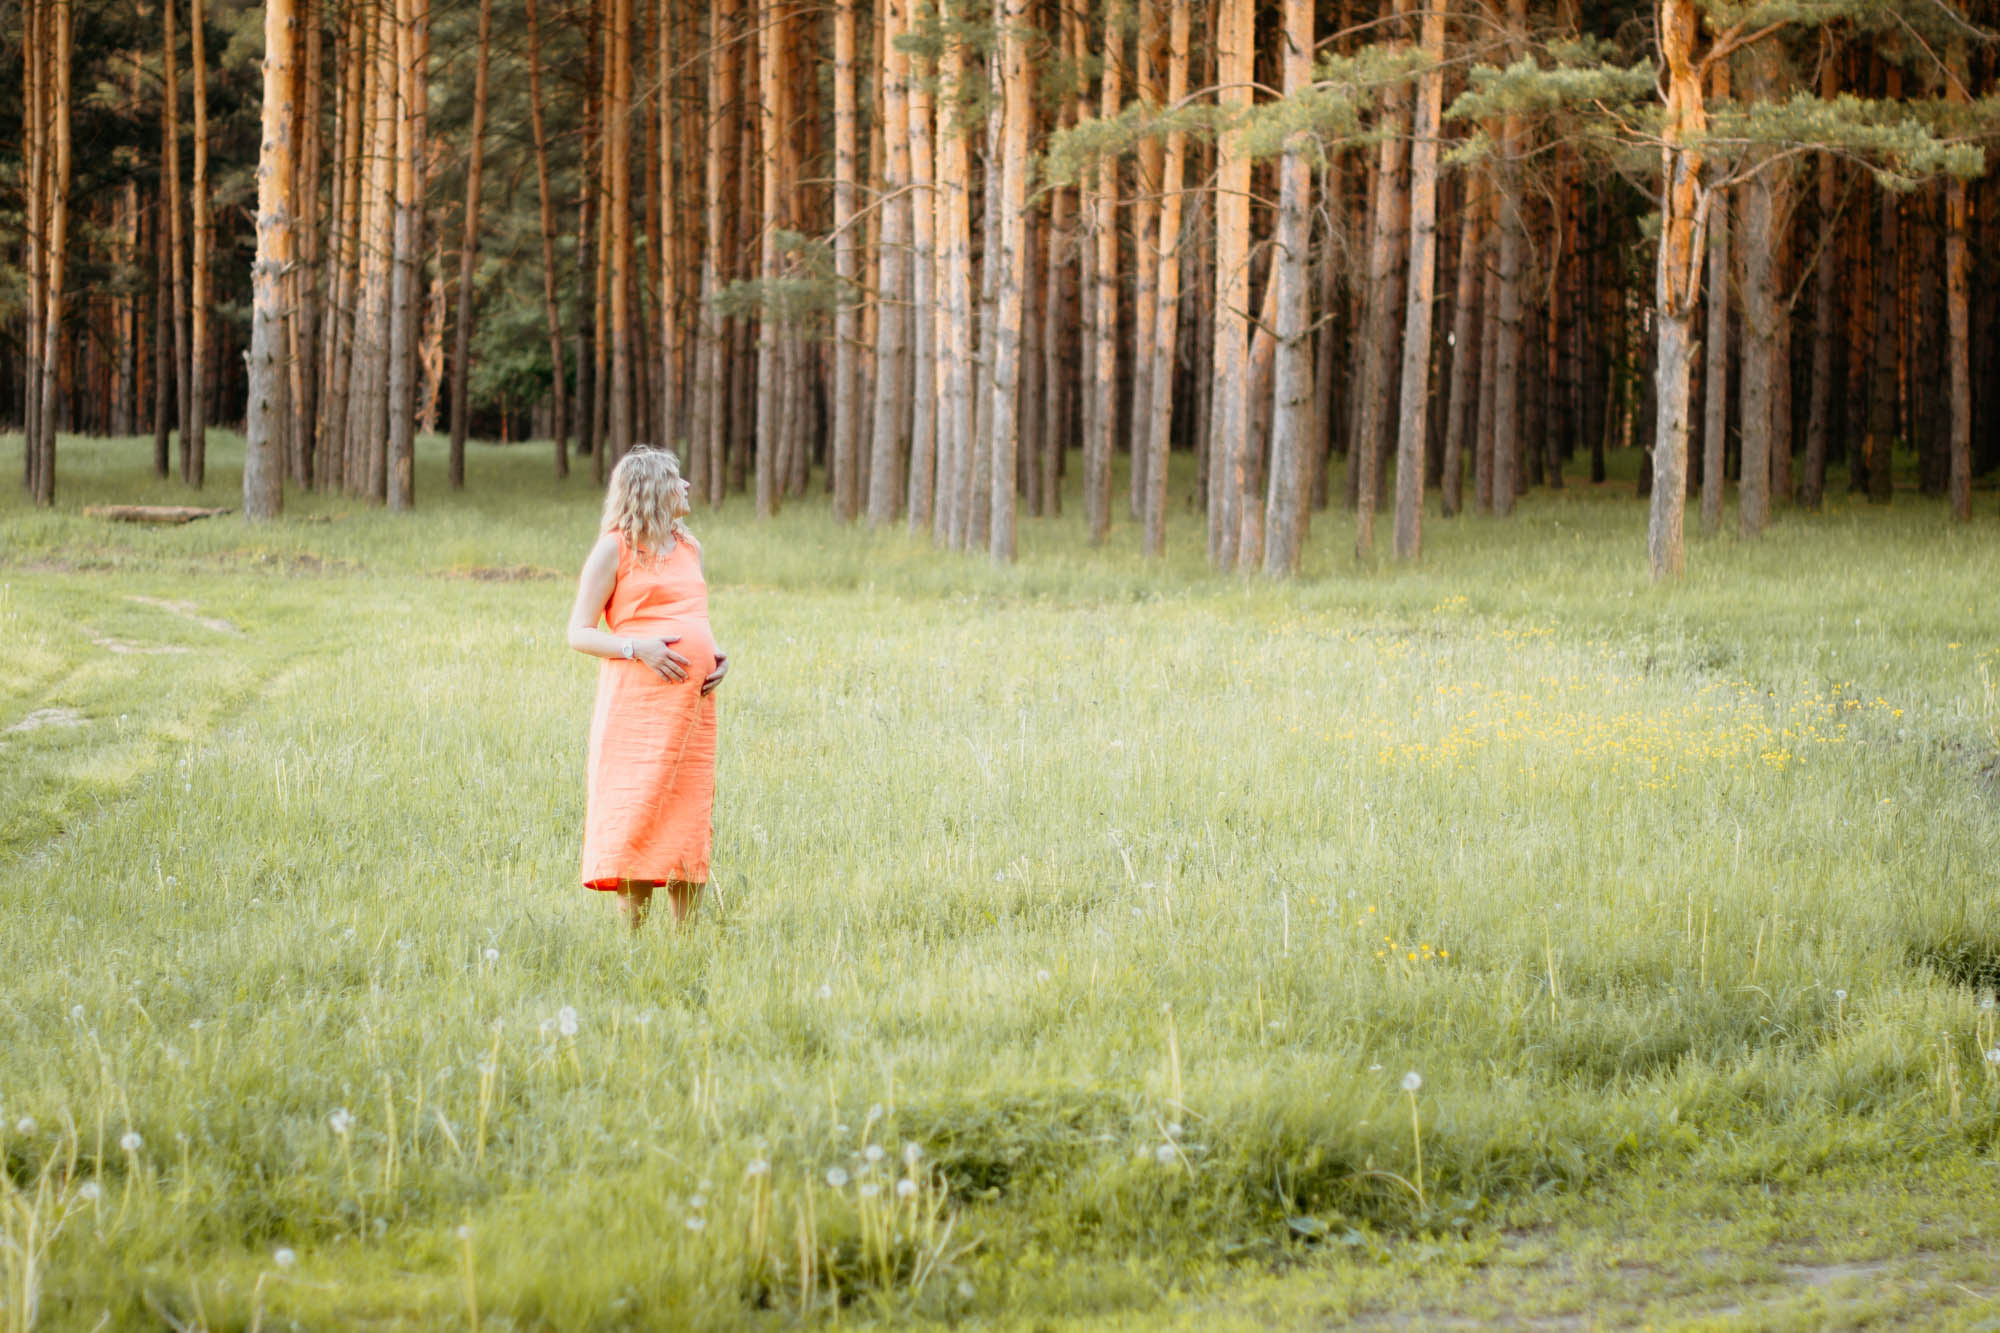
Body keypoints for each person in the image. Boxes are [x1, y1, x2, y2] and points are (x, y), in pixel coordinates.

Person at [567, 448, 727, 929]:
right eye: (676, 479)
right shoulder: (612, 549)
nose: (686, 487)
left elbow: (694, 615)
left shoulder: (689, 547)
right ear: (652, 489)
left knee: (687, 812)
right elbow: (579, 632)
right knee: (639, 810)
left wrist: (716, 655)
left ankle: (686, 942)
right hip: (637, 708)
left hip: (692, 706)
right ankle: (631, 946)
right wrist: (641, 648)